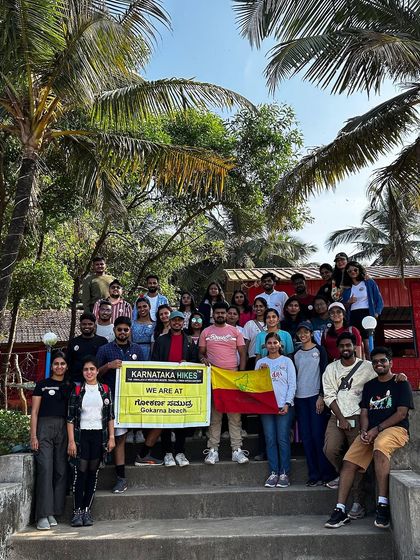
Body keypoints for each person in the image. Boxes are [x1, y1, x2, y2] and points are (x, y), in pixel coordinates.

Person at [325, 346, 413, 530]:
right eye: (375, 362)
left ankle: (383, 504)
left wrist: (377, 429)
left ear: (391, 362)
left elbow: (401, 414)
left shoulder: (401, 383)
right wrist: (364, 431)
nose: (379, 364)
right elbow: (364, 411)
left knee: (380, 446)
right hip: (371, 431)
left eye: (383, 361)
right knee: (349, 462)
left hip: (395, 430)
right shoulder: (370, 385)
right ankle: (340, 509)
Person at [322, 332, 378, 518]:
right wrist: (341, 418)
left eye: (349, 345)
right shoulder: (331, 368)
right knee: (330, 450)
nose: (345, 349)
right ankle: (342, 473)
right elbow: (329, 395)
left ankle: (358, 502)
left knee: (356, 461)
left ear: (354, 347)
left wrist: (399, 376)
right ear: (338, 349)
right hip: (337, 416)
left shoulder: (368, 367)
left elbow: (383, 377)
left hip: (359, 416)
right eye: (342, 346)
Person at [96, 317, 147, 493]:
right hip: (107, 400)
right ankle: (102, 460)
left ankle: (121, 478)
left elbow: (143, 373)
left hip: (129, 401)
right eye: (120, 330)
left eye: (126, 329)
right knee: (107, 435)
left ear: (130, 331)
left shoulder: (137, 350)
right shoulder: (105, 349)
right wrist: (108, 366)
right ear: (114, 331)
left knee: (120, 438)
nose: (123, 332)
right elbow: (94, 374)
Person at [67, 356, 115, 527]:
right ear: (83, 372)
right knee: (80, 473)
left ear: (96, 371)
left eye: (92, 369)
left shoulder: (105, 389)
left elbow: (109, 416)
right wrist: (71, 441)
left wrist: (111, 437)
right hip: (82, 437)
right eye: (86, 369)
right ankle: (77, 511)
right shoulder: (78, 390)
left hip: (98, 436)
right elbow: (70, 418)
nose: (89, 372)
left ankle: (87, 510)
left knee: (92, 473)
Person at [199, 301, 248, 465]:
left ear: (227, 314)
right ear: (213, 314)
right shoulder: (206, 332)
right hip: (214, 379)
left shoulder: (235, 331)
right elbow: (201, 353)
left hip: (232, 377)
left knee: (234, 416)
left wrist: (240, 376)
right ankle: (213, 450)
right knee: (215, 415)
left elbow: (242, 353)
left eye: (223, 313)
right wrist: (202, 359)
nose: (220, 315)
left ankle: (237, 450)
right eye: (217, 312)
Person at [30, 351, 73, 530]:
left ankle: (53, 511)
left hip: (64, 427)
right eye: (56, 364)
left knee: (61, 469)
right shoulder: (42, 385)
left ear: (67, 366)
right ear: (51, 366)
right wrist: (33, 436)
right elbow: (34, 412)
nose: (59, 367)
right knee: (45, 468)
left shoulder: (70, 386)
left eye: (62, 364)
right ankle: (42, 514)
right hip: (44, 428)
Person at [151, 310, 199, 467]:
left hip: (183, 387)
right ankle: (168, 454)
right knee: (166, 421)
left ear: (183, 323)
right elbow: (155, 361)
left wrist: (188, 363)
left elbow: (195, 360)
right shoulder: (161, 340)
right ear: (169, 322)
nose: (177, 323)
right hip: (165, 386)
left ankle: (180, 452)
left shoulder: (190, 341)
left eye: (180, 320)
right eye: (174, 320)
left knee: (181, 420)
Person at [294, 322, 337, 486]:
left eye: (306, 332)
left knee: (318, 436)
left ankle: (327, 474)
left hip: (315, 397)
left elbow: (325, 374)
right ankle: (313, 475)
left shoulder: (320, 350)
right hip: (300, 398)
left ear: (311, 333)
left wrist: (321, 396)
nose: (303, 335)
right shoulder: (296, 353)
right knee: (306, 437)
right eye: (300, 332)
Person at [255, 332, 296, 488]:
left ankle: (284, 473)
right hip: (266, 407)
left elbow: (292, 384)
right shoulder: (261, 363)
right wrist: (261, 373)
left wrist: (287, 403)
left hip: (283, 405)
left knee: (282, 439)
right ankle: (273, 472)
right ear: (265, 346)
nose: (272, 346)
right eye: (269, 343)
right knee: (270, 439)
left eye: (275, 343)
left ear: (280, 345)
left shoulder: (287, 361)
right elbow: (256, 385)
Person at [342, 261, 384, 358]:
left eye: (355, 269)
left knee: (368, 345)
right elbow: (343, 307)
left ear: (359, 270)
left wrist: (376, 314)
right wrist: (349, 302)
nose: (353, 272)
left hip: (367, 314)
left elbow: (379, 300)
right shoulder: (347, 288)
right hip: (353, 316)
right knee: (355, 345)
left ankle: (372, 368)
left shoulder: (369, 282)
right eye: (349, 271)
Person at [66, 313, 108, 385]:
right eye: (84, 324)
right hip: (77, 381)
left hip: (97, 381)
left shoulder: (102, 341)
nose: (87, 326)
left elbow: (105, 361)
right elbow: (68, 362)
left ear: (94, 325)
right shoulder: (73, 342)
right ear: (80, 325)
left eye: (90, 324)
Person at [243, 296, 268, 370]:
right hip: (253, 359)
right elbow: (245, 347)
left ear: (265, 308)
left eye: (261, 306)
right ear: (253, 308)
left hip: (269, 358)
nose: (258, 308)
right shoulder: (249, 324)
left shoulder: (271, 323)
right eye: (256, 306)